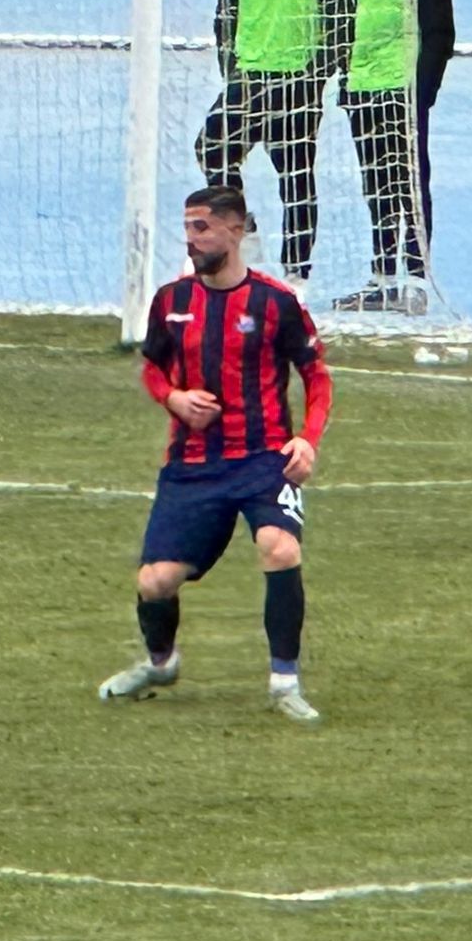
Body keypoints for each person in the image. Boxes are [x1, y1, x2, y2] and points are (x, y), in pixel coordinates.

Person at [98, 187, 333, 723]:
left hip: (263, 459)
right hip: (193, 466)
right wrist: (173, 398)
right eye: (188, 227)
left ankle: (284, 682)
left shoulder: (276, 303)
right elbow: (153, 369)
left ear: (236, 229)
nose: (191, 238)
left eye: (202, 227)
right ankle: (160, 664)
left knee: (279, 548)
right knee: (155, 582)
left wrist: (307, 439)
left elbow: (316, 375)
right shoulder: (171, 301)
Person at [194, 0, 335, 287]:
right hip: (249, 82)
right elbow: (225, 21)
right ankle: (243, 224)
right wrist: (232, 73)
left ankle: (296, 273)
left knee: (296, 178)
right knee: (211, 147)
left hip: (296, 86)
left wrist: (314, 79)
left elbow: (340, 28)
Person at [333, 0, 455, 314]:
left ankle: (417, 279)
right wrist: (348, 82)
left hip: (402, 91)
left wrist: (423, 94)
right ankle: (382, 279)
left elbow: (440, 36)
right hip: (364, 90)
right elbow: (354, 29)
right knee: (376, 186)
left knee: (410, 187)